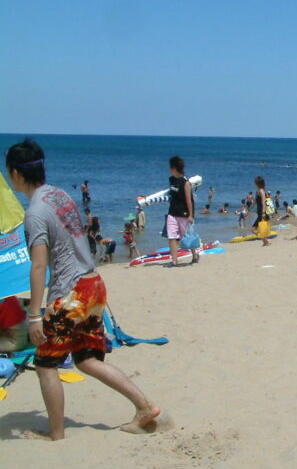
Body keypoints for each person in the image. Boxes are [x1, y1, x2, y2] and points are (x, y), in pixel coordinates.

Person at [6, 138, 160, 440]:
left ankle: (56, 434)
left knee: (46, 363)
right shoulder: (60, 195)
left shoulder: (35, 212)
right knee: (86, 360)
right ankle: (145, 406)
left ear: (15, 174)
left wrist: (34, 314)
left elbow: (38, 266)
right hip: (94, 285)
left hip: (72, 295)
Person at [165, 156, 197, 266]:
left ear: (174, 168)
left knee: (187, 237)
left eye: (170, 167)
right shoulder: (171, 180)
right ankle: (174, 260)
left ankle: (195, 254)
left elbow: (189, 200)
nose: (169, 169)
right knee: (172, 236)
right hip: (172, 212)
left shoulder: (185, 182)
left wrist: (191, 215)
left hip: (183, 214)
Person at [253, 176, 271, 246]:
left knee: (254, 229)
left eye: (255, 182)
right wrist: (248, 211)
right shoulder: (258, 191)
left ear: (257, 183)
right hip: (260, 213)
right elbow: (254, 202)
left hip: (262, 213)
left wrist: (263, 212)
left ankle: (266, 242)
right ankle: (265, 242)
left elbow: (263, 202)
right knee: (259, 229)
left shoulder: (261, 191)